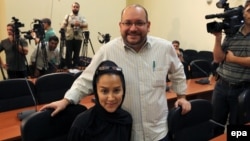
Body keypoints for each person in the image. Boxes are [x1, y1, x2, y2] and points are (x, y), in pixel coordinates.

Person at [41, 4, 191, 141]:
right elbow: (86, 80)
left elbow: (178, 72)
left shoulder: (164, 48)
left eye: (139, 23)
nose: (133, 28)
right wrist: (66, 100)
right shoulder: (107, 50)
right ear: (120, 26)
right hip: (125, 134)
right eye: (127, 23)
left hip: (159, 133)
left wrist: (182, 97)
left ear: (148, 25)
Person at [211, 0, 250, 136]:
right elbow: (218, 58)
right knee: (215, 125)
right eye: (249, 11)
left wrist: (233, 59)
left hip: (243, 90)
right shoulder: (231, 33)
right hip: (221, 87)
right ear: (243, 13)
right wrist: (217, 38)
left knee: (239, 130)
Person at [68, 60, 132, 141]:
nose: (111, 98)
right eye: (104, 91)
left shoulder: (126, 120)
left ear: (123, 90)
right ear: (96, 92)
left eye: (116, 90)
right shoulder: (82, 124)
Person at [61, 2, 88, 69]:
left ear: (79, 8)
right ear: (72, 7)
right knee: (68, 52)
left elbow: (86, 25)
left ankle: (75, 65)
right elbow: (63, 25)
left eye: (77, 7)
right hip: (69, 37)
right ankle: (67, 65)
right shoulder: (68, 16)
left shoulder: (82, 17)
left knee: (77, 52)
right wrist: (62, 31)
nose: (75, 8)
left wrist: (79, 24)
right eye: (74, 7)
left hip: (78, 37)